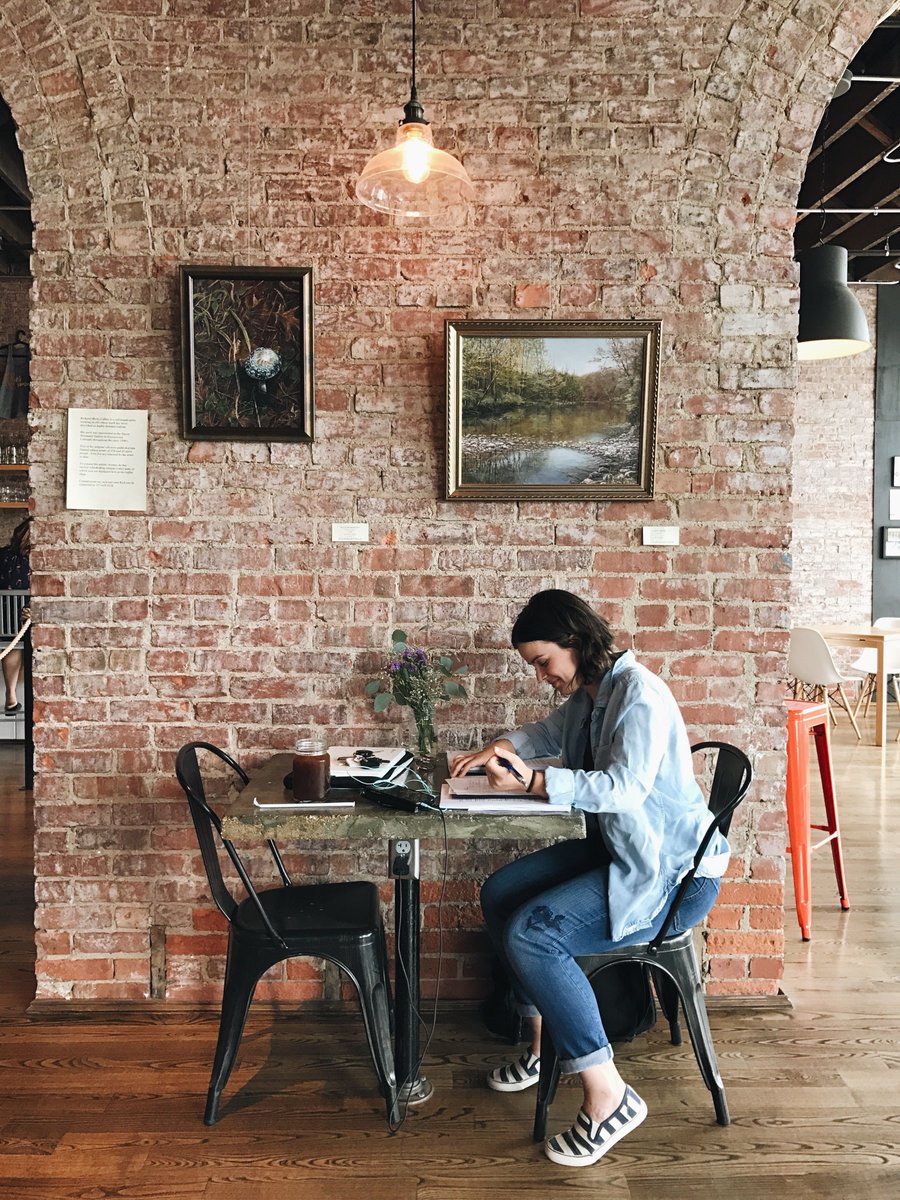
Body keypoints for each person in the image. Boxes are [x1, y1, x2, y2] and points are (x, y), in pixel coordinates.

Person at [451, 588, 729, 1169]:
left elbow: (625, 791)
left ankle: (609, 1097)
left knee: (533, 935)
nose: (539, 675)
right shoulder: (592, 692)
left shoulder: (640, 697)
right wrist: (499, 747)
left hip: (671, 875)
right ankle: (540, 1046)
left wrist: (533, 785)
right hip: (619, 851)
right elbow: (549, 735)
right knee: (500, 893)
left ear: (575, 643)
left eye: (542, 661)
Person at [0, 515, 30, 714]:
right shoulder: (41, 561)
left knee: (11, 637)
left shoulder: (2, 556)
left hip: (5, 629)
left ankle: (10, 694)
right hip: (30, 627)